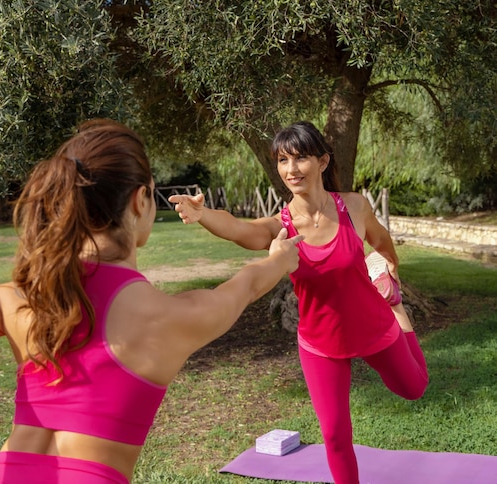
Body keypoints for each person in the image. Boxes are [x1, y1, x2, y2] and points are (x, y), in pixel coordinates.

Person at [0, 119, 303, 484]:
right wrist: (281, 257)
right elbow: (245, 285)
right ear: (140, 200)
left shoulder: (23, 298)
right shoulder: (173, 318)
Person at [169, 120, 429, 484]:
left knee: (414, 389)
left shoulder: (353, 207)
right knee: (336, 437)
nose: (291, 170)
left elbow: (382, 240)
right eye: (282, 160)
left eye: (300, 158)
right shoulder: (282, 227)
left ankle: (396, 308)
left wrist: (391, 265)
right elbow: (243, 229)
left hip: (374, 325)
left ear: (322, 162)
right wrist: (203, 215)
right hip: (320, 343)